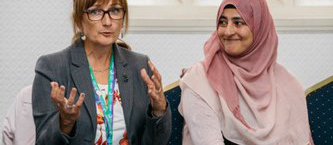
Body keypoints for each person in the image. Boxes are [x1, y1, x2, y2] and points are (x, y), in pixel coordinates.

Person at [32, 0, 171, 144]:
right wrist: (65, 123)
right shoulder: (52, 68)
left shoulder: (140, 66)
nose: (107, 21)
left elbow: (158, 141)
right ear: (79, 20)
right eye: (96, 12)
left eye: (115, 10)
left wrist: (159, 110)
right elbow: (43, 141)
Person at [178, 0, 314, 144]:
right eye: (223, 22)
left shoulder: (287, 86)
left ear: (259, 27)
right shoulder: (200, 80)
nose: (228, 31)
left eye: (238, 22)